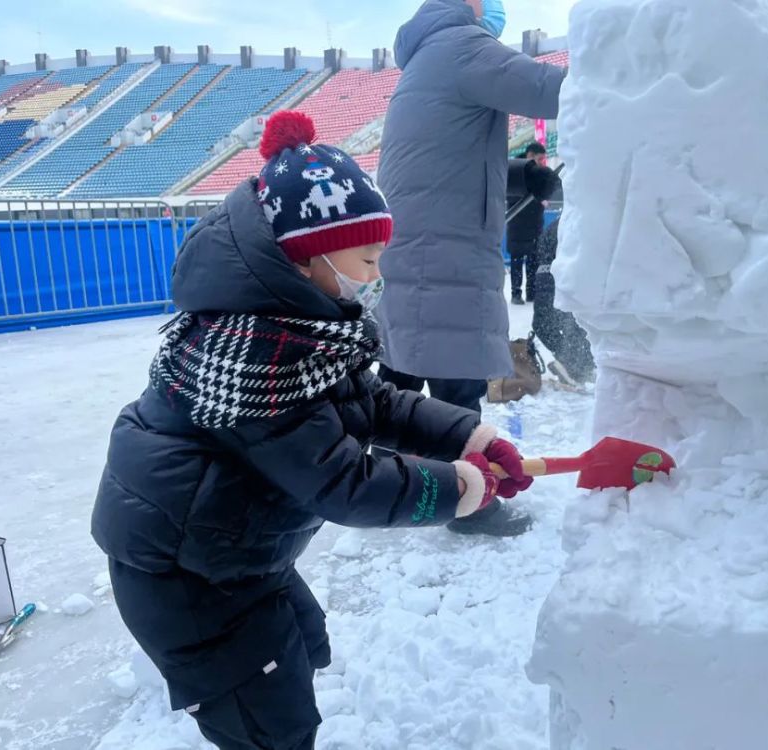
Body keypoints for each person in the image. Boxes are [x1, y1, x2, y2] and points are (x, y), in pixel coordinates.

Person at [89, 112, 534, 750]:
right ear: (306, 257)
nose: (377, 274)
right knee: (269, 721)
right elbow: (344, 482)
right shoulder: (255, 357)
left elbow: (371, 402)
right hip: (188, 576)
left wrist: (469, 437)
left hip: (231, 542)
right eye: (368, 257)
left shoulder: (301, 324)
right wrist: (457, 488)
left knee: (302, 644)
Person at [375, 0, 566, 537]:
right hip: (445, 252)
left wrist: (523, 177)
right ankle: (469, 500)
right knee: (456, 382)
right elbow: (553, 90)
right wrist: (630, 71)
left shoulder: (426, 57)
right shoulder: (462, 45)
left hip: (416, 246)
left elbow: (448, 163)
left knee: (403, 371)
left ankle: (387, 480)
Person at [532, 217, 595, 387]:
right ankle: (574, 364)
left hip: (548, 280)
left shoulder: (560, 226)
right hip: (556, 281)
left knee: (547, 325)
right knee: (575, 326)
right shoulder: (572, 226)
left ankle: (575, 363)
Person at [508, 142, 549, 305]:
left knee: (533, 261)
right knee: (517, 260)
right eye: (539, 159)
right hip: (517, 223)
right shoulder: (515, 171)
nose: (541, 162)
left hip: (534, 223)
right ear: (530, 156)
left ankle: (531, 292)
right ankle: (515, 293)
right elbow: (511, 195)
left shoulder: (540, 173)